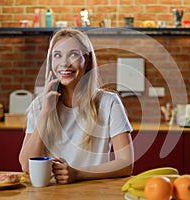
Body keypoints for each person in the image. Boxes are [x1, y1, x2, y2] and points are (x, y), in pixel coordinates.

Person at [19, 28, 134, 184]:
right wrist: (45, 112)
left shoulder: (109, 103)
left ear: (86, 62)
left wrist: (77, 174)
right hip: (51, 193)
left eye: (73, 54)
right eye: (57, 55)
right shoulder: (40, 105)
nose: (64, 63)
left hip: (93, 191)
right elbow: (26, 166)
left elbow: (126, 163)